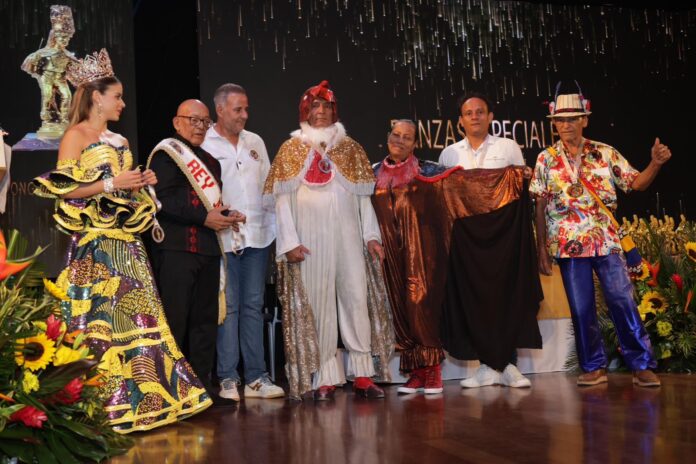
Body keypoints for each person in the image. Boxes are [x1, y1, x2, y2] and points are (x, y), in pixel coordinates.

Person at [33, 49, 211, 433]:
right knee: (97, 323)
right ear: (97, 97)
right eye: (117, 96)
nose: (123, 103)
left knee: (139, 319)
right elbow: (66, 190)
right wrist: (112, 183)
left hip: (126, 244)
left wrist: (140, 184)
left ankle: (145, 401)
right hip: (95, 246)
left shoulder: (120, 140)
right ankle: (98, 406)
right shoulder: (75, 136)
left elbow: (124, 195)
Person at [530, 86, 671, 387]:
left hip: (606, 241)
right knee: (581, 308)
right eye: (560, 120)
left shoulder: (605, 152)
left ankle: (641, 364)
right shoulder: (546, 159)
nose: (566, 124)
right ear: (554, 124)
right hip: (568, 245)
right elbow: (539, 204)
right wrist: (541, 248)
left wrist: (655, 164)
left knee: (622, 301)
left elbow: (637, 183)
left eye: (572, 118)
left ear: (584, 120)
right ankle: (594, 366)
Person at [264, 80, 393, 400]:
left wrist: (371, 236)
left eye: (326, 106)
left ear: (335, 111)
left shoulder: (351, 148)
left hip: (348, 236)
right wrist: (289, 242)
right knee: (318, 304)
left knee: (356, 298)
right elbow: (281, 202)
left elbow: (363, 198)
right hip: (310, 239)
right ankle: (325, 376)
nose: (320, 111)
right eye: (314, 106)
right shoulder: (290, 149)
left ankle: (362, 373)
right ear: (304, 111)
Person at [146, 99, 245, 400]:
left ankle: (202, 390)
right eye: (193, 120)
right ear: (177, 122)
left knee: (205, 324)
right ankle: (170, 392)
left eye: (204, 121)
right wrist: (204, 217)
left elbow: (211, 204)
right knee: (175, 321)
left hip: (208, 250)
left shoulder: (211, 162)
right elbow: (165, 201)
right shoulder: (165, 155)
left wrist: (227, 215)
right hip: (176, 250)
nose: (200, 126)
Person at [438, 92, 537, 389]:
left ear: (490, 116)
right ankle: (485, 366)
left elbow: (520, 189)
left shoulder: (508, 147)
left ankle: (509, 365)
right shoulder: (449, 155)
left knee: (506, 293)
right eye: (469, 113)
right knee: (474, 297)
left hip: (503, 237)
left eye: (480, 111)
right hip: (467, 238)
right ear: (460, 121)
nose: (475, 117)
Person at [202, 83, 284, 401]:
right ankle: (227, 378)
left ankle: (256, 378)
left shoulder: (255, 142)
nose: (244, 115)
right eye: (238, 109)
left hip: (257, 237)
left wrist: (279, 228)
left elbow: (268, 188)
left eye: (246, 109)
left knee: (253, 305)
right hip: (222, 238)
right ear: (220, 109)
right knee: (230, 307)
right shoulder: (204, 143)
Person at [372, 120, 455, 394]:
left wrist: (510, 176)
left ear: (415, 144)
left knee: (420, 304)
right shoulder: (372, 173)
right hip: (388, 254)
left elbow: (464, 185)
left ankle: (432, 371)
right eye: (396, 135)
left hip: (422, 250)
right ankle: (416, 372)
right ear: (388, 137)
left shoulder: (428, 171)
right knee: (398, 308)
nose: (400, 140)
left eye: (407, 137)